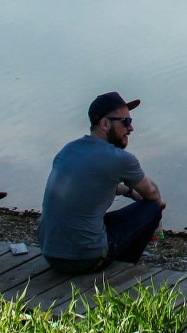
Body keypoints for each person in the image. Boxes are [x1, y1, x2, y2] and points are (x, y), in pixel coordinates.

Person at [37, 92, 166, 274]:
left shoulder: (69, 150)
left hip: (51, 254)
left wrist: (128, 191)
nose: (131, 129)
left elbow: (88, 189)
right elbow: (152, 193)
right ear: (105, 124)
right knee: (151, 208)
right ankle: (121, 268)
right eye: (126, 122)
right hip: (85, 259)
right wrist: (158, 207)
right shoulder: (120, 159)